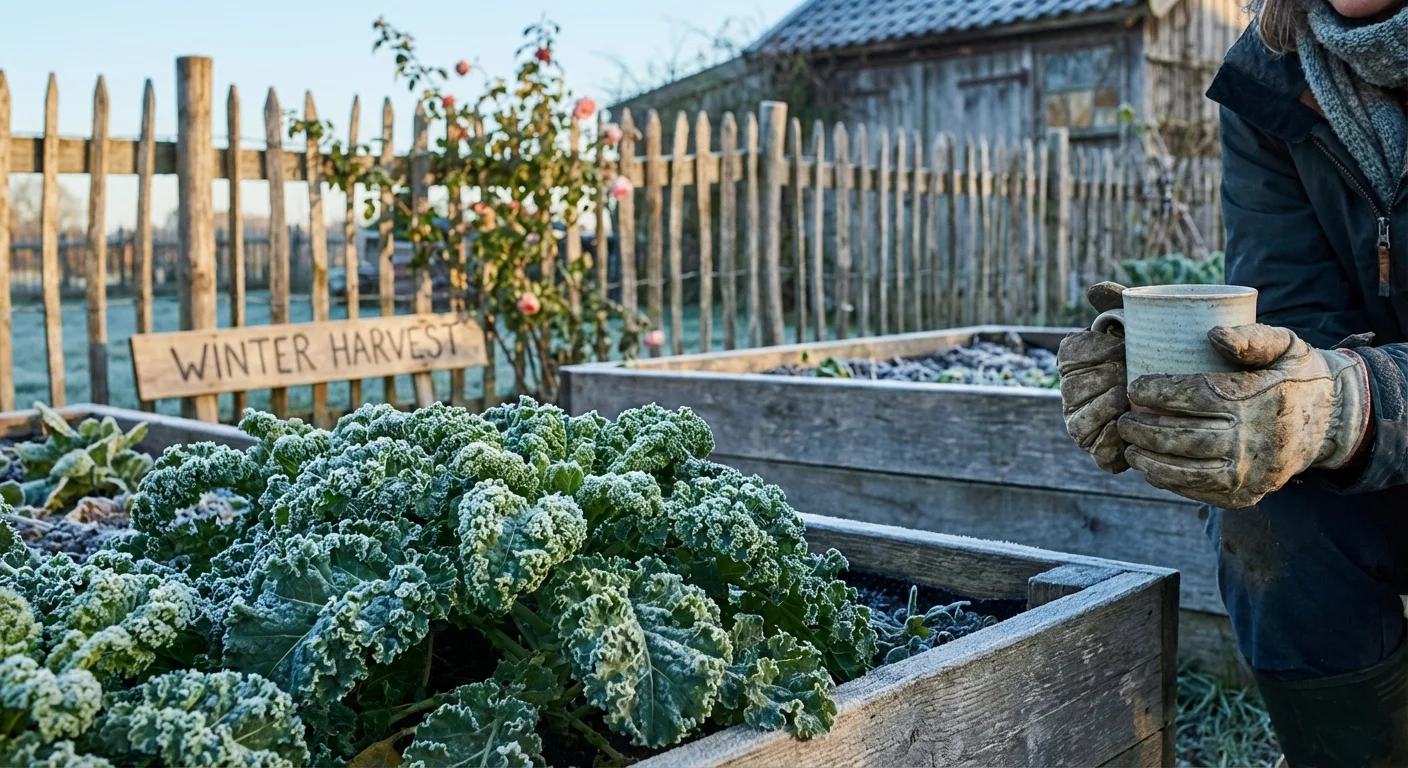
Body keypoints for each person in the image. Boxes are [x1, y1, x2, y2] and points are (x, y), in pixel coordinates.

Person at [1058, 0, 1408, 765]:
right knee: (1270, 509)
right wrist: (1168, 370)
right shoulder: (1274, 74)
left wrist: (1349, 402)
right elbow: (1297, 323)